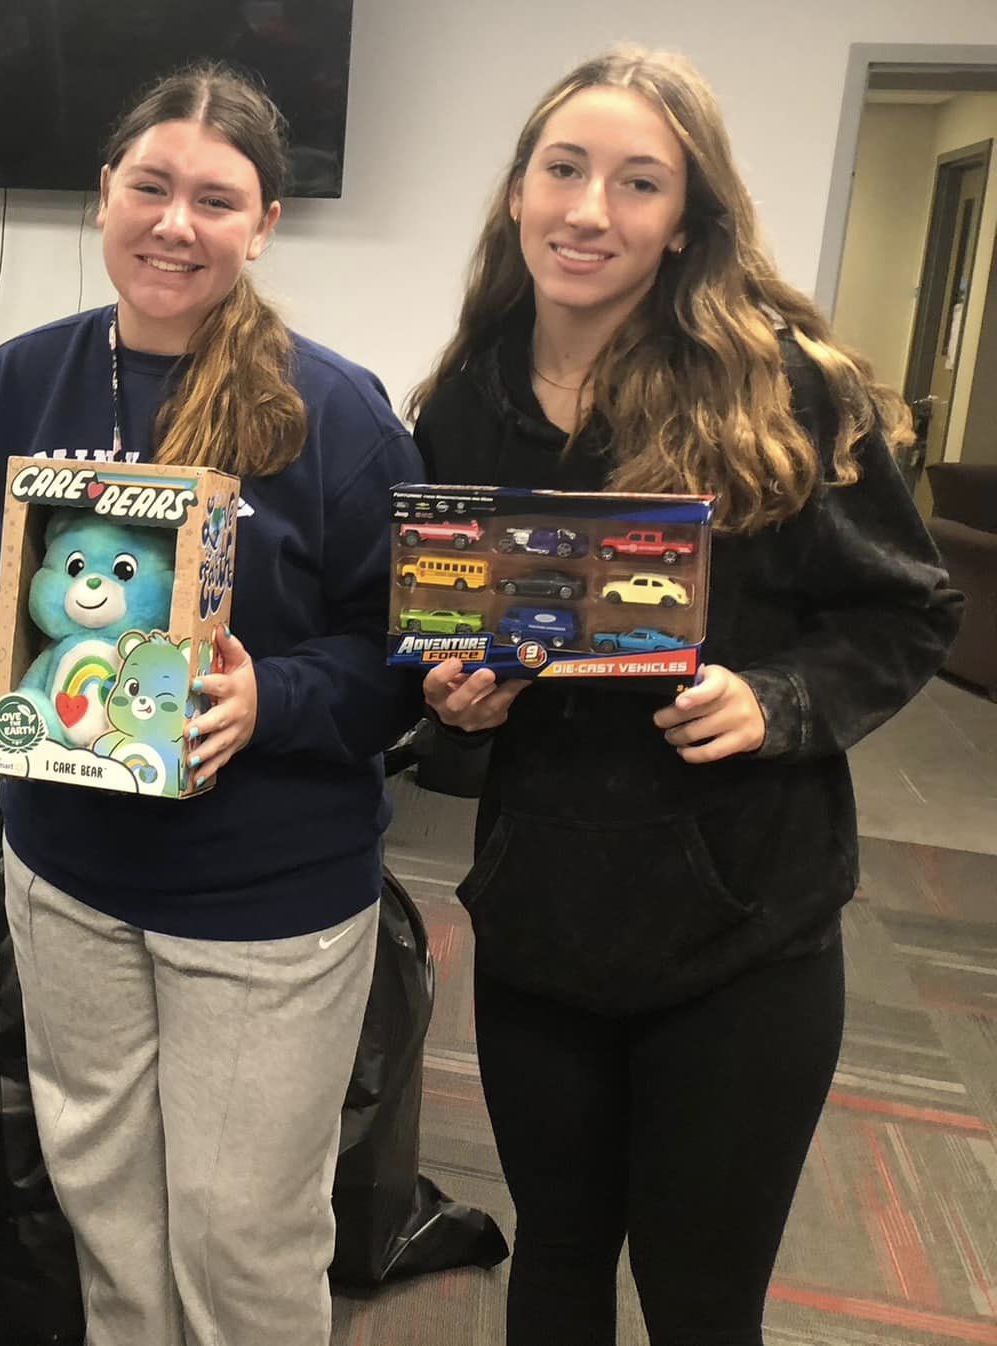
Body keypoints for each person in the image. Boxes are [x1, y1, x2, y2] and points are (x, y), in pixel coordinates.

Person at [409, 46, 963, 1345]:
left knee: (701, 1303)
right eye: (564, 169)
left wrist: (782, 699)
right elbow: (447, 642)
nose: (590, 209)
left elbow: (910, 607)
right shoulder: (462, 403)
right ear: (518, 195)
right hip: (544, 916)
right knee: (553, 1270)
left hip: (744, 927)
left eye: (638, 182)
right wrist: (450, 701)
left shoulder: (787, 387)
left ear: (686, 222)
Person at [0, 63, 421, 1346]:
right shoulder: (19, 384)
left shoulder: (335, 412)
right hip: (67, 878)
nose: (174, 223)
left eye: (213, 198)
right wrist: (6, 675)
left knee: (240, 1245)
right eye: (149, 186)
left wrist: (272, 696)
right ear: (103, 197)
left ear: (262, 224)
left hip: (267, 904)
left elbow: (406, 649)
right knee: (114, 1228)